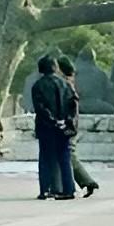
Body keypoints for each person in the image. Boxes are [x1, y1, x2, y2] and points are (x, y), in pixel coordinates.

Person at [31, 55, 76, 201]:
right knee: (65, 157)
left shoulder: (38, 86)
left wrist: (53, 120)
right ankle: (68, 189)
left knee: (45, 158)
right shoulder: (65, 84)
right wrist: (67, 120)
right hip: (64, 126)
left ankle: (46, 189)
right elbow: (73, 103)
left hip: (46, 127)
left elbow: (40, 107)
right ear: (55, 68)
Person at [57, 56, 99, 197]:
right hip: (72, 123)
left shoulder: (65, 85)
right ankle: (84, 182)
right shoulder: (69, 83)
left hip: (69, 124)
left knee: (69, 154)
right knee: (69, 154)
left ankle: (87, 182)